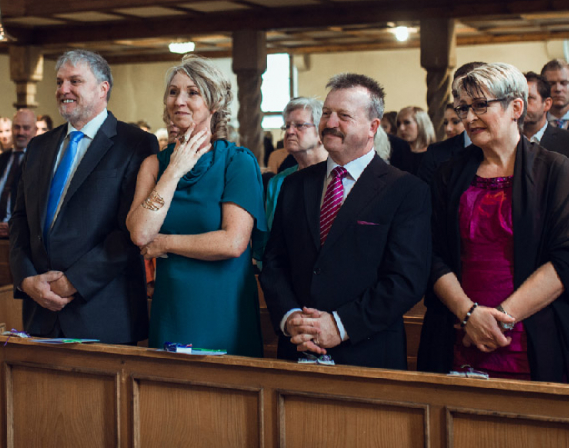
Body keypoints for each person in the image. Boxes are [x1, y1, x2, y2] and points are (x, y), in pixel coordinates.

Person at [417, 63, 569, 382]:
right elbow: (432, 253)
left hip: (529, 334)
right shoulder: (448, 174)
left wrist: (499, 320)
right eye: (463, 108)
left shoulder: (554, 170)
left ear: (516, 107)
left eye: (480, 105)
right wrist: (469, 315)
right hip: (459, 329)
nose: (469, 118)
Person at [261, 73, 430, 368]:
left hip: (367, 353)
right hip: (298, 348)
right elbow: (275, 261)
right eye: (326, 113)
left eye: (343, 116)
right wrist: (290, 318)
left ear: (372, 127)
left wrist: (340, 325)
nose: (330, 123)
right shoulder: (295, 184)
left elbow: (405, 280)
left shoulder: (406, 190)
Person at [8, 50, 158, 342]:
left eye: (74, 81)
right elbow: (20, 219)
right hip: (41, 309)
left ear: (103, 88)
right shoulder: (39, 146)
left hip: (103, 311)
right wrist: (26, 279)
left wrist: (72, 282)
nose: (63, 89)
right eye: (59, 82)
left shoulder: (135, 143)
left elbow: (127, 232)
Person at [127, 55, 264, 356]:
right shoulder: (154, 165)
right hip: (172, 307)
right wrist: (174, 171)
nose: (179, 101)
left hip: (222, 307)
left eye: (192, 92)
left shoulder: (237, 162)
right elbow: (140, 233)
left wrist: (165, 243)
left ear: (214, 103)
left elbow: (233, 243)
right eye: (173, 92)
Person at [260, 98, 328, 267]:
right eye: (287, 126)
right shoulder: (279, 181)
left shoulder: (338, 177)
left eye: (299, 125)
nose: (289, 132)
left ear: (321, 133)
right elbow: (269, 239)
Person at [522, 72, 569, 190]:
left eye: (529, 98)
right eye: (517, 99)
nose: (522, 105)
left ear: (547, 104)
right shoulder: (505, 143)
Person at [0, 109, 36, 240]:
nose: (20, 132)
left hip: (23, 239)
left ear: (35, 130)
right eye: (17, 127)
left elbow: (39, 205)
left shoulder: (40, 162)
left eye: (26, 128)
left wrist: (16, 227)